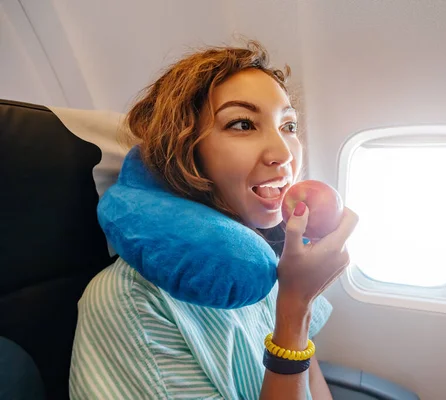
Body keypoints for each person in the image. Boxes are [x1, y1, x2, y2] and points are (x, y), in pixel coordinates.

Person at [69, 40, 358, 400]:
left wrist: (295, 298)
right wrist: (294, 308)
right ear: (184, 148)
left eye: (288, 125)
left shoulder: (265, 259)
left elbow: (314, 390)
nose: (284, 154)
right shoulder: (128, 303)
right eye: (242, 124)